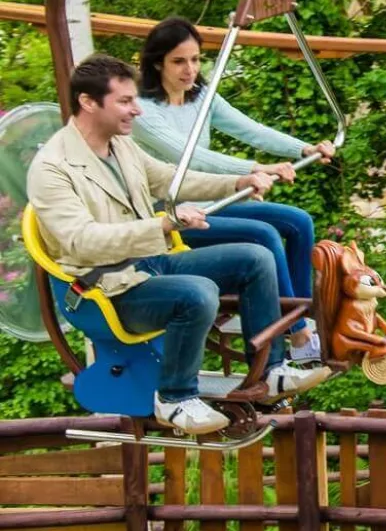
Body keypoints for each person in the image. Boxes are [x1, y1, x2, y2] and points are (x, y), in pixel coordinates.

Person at [26, 56, 330, 435]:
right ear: (89, 102)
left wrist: (239, 182)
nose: (136, 110)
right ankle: (174, 397)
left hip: (149, 265)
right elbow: (82, 242)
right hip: (103, 289)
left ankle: (271, 372)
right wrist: (163, 225)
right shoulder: (52, 168)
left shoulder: (121, 147)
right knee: (197, 292)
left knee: (255, 257)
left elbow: (168, 178)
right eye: (124, 101)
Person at [131, 17, 334, 361]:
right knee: (264, 236)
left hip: (211, 204)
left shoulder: (201, 98)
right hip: (173, 217)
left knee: (299, 221)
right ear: (157, 63)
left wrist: (304, 148)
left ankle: (304, 320)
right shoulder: (144, 112)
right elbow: (190, 155)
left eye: (195, 59)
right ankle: (296, 337)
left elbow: (250, 130)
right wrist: (253, 169)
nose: (189, 70)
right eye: (179, 61)